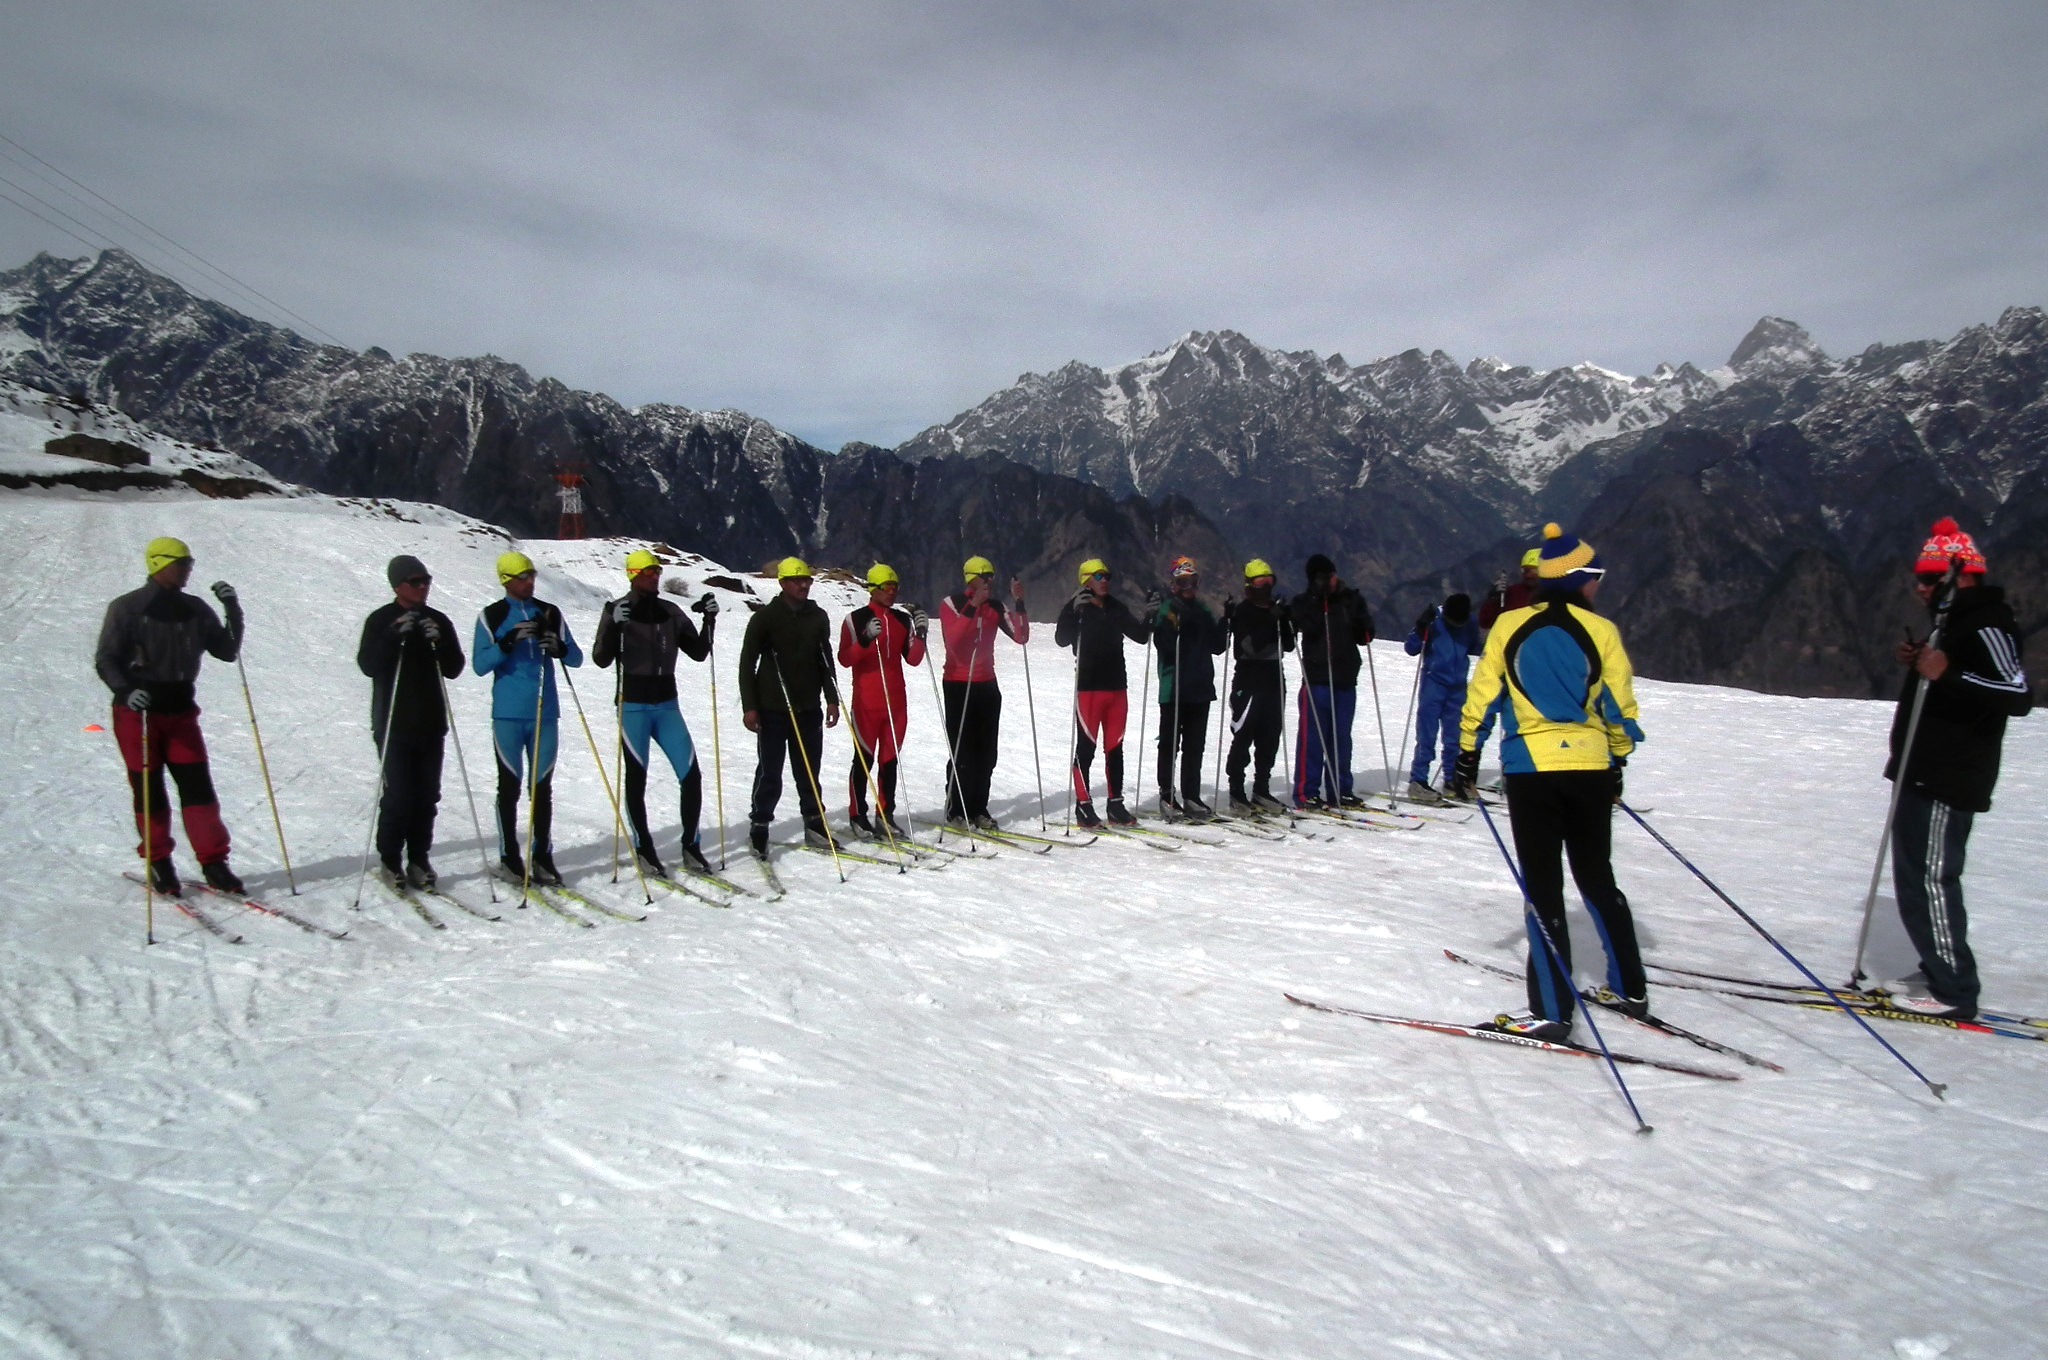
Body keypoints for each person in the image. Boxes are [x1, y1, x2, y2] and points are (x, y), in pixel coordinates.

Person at [1454, 523, 1645, 1041]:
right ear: (1575, 579)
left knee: (1543, 888)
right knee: (1597, 878)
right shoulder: (1600, 630)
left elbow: (1484, 693)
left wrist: (1467, 753)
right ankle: (1630, 987)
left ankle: (1552, 1011)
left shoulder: (1510, 626)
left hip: (1532, 769)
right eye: (1594, 575)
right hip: (1590, 766)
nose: (1598, 583)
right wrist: (1618, 761)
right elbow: (1618, 706)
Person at [1879, 517, 2031, 1021]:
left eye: (1928, 578)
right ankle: (1936, 967)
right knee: (1914, 875)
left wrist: (1948, 672)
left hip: (1949, 775)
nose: (1919, 588)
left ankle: (1955, 990)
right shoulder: (1955, 619)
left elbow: (2017, 693)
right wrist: (1923, 658)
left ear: (1959, 575)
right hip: (1925, 769)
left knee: (1932, 878)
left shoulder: (1988, 623)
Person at [96, 536, 246, 895]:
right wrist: (126, 689)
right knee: (149, 790)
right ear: (159, 564)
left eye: (189, 562)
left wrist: (233, 610)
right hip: (139, 713)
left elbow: (226, 651)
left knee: (198, 788)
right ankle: (159, 861)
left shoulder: (194, 609)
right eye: (183, 563)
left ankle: (214, 862)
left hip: (180, 710)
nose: (188, 569)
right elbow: (106, 658)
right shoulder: (127, 609)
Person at [593, 548, 717, 877]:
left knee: (691, 775)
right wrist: (613, 628)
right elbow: (601, 658)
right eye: (649, 571)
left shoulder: (671, 612)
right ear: (633, 574)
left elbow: (700, 653)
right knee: (637, 779)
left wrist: (709, 620)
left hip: (667, 706)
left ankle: (691, 845)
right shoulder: (617, 609)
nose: (655, 575)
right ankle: (644, 848)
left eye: (658, 570)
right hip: (632, 706)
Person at [472, 550, 584, 886]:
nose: (530, 581)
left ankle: (542, 856)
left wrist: (559, 647)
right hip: (507, 714)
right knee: (509, 786)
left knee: (542, 788)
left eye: (532, 575)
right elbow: (479, 665)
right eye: (523, 576)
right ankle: (509, 856)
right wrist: (506, 643)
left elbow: (576, 657)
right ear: (506, 580)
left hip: (544, 712)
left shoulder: (549, 612)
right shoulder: (492, 616)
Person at [356, 554, 465, 890]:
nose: (423, 587)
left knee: (427, 795)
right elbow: (368, 665)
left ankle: (419, 857)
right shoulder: (381, 620)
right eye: (415, 581)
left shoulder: (438, 620)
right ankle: (390, 859)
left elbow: (454, 667)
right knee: (399, 794)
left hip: (431, 722)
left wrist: (440, 642)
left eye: (426, 580)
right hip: (393, 723)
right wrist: (392, 637)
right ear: (398, 585)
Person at [738, 557, 840, 856]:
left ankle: (814, 823)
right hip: (772, 708)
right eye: (797, 580)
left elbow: (825, 661)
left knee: (809, 770)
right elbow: (747, 664)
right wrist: (750, 706)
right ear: (782, 583)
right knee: (770, 770)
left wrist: (832, 698)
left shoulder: (818, 617)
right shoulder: (765, 618)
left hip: (809, 707)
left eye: (807, 580)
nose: (804, 585)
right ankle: (760, 826)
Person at [1054, 558, 1151, 827]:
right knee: (1086, 747)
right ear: (1085, 580)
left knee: (1115, 747)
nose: (1105, 580)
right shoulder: (1078, 609)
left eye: (1107, 575)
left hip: (1117, 687)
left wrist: (1151, 614)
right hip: (1088, 688)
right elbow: (1062, 639)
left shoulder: (1116, 607)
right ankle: (1083, 806)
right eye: (1098, 576)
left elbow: (1140, 636)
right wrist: (1073, 612)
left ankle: (1115, 805)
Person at [939, 555, 1028, 831]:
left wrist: (1019, 603)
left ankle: (978, 807)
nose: (990, 581)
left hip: (987, 684)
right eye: (984, 576)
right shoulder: (952, 604)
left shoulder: (995, 607)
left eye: (991, 576)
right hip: (958, 682)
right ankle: (957, 808)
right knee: (963, 751)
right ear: (971, 578)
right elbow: (954, 641)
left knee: (986, 752)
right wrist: (973, 606)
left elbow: (1021, 635)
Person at [837, 563, 926, 839]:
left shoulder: (901, 620)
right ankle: (857, 814)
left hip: (896, 704)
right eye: (886, 588)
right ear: (873, 590)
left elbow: (913, 659)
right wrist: (864, 640)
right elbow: (844, 659)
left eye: (895, 587)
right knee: (864, 759)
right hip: (866, 702)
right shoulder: (855, 619)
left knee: (889, 761)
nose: (891, 592)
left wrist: (921, 633)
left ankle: (885, 815)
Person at [1148, 556, 1230, 820]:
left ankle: (1191, 795)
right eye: (1184, 582)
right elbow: (1164, 645)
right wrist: (1171, 624)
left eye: (1193, 582)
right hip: (1175, 689)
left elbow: (1218, 647)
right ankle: (1167, 794)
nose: (1189, 588)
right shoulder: (1168, 610)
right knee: (1170, 745)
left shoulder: (1203, 611)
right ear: (1173, 585)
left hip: (1200, 688)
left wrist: (1226, 621)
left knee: (1195, 746)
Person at [1292, 554, 1374, 807]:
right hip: (1316, 679)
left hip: (1345, 679)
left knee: (1341, 739)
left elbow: (1366, 636)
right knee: (1312, 740)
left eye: (1330, 575)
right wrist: (1318, 601)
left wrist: (1361, 617)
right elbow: (1304, 625)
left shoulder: (1349, 600)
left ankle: (1340, 788)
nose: (1328, 581)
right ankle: (1307, 792)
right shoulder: (1305, 602)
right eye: (1321, 577)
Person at [1225, 558, 1295, 813]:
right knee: (1243, 736)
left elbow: (1288, 645)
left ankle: (1261, 789)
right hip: (1249, 681)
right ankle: (1236, 791)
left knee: (1269, 737)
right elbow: (1248, 648)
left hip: (1274, 681)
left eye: (1269, 581)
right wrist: (1270, 621)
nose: (1266, 586)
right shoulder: (1243, 612)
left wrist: (1286, 620)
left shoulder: (1274, 611)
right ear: (1249, 585)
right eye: (1260, 582)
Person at [1403, 593, 1481, 804]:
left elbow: (1475, 646)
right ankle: (1418, 781)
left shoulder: (1470, 621)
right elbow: (1411, 648)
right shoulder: (1434, 620)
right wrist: (1420, 628)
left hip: (1457, 686)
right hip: (1434, 683)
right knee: (1427, 735)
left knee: (1454, 736)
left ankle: (1451, 780)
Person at [1477, 548, 1541, 631]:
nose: (1529, 576)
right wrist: (1493, 599)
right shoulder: (1512, 593)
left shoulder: (1554, 594)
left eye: (1534, 571)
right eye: (1525, 571)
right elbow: (1485, 621)